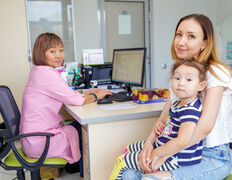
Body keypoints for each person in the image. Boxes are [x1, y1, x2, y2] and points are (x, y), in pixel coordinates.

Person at [121, 14, 232, 180]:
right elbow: (163, 120)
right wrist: (148, 145)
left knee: (149, 178)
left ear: (205, 43)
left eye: (191, 36)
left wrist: (160, 154)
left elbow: (204, 127)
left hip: (211, 156)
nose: (181, 41)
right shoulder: (181, 75)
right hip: (177, 152)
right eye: (179, 34)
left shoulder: (216, 72)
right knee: (129, 174)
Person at [19, 32, 111, 180]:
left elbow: (69, 94)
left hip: (31, 139)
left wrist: (88, 93)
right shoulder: (46, 74)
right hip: (41, 141)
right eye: (52, 51)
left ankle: (83, 172)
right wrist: (96, 95)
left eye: (61, 50)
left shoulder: (38, 71)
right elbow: (77, 100)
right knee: (86, 128)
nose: (58, 55)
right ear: (40, 53)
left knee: (78, 126)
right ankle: (85, 176)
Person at [109, 59, 207, 180]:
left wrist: (156, 154)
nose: (181, 83)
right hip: (162, 146)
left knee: (121, 161)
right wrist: (161, 127)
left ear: (201, 85)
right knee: (129, 148)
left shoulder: (190, 110)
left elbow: (183, 140)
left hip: (175, 159)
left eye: (189, 79)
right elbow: (170, 125)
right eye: (177, 78)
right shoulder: (178, 103)